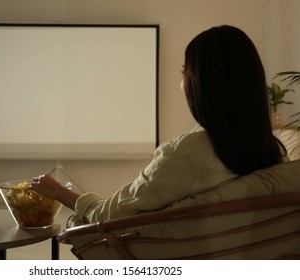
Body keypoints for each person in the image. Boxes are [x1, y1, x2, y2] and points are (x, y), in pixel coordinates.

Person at [29, 25, 287, 225]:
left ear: (202, 84)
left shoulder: (187, 153)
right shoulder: (271, 151)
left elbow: (109, 215)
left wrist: (61, 193)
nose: (182, 80)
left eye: (184, 71)